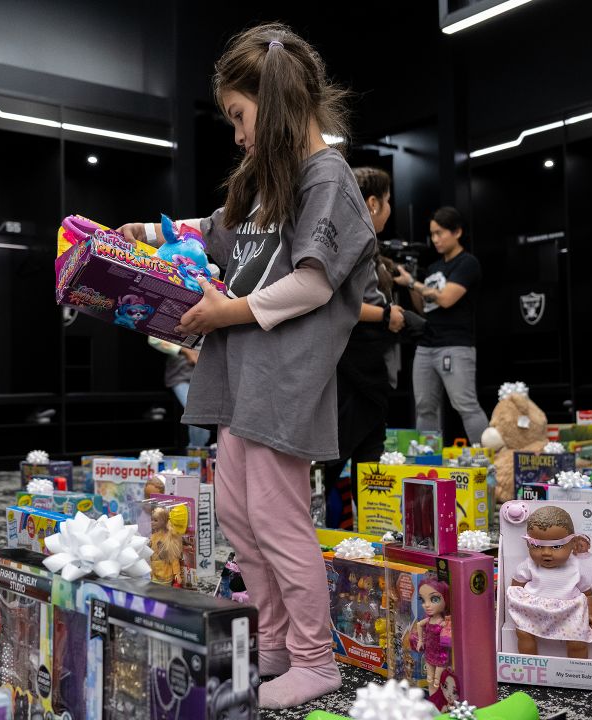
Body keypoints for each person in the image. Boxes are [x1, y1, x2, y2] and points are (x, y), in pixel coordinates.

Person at [115, 23, 374, 708]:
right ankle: (276, 640)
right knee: (237, 514)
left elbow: (313, 283)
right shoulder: (267, 181)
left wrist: (223, 314)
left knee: (277, 518)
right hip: (238, 377)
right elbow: (216, 229)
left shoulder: (328, 178)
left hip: (284, 381)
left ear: (279, 101)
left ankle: (316, 660)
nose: (235, 133)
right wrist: (148, 234)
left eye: (239, 114)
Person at [323, 166, 405, 528]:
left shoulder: (363, 244)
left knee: (369, 458)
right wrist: (388, 314)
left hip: (368, 370)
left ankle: (371, 537)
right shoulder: (349, 242)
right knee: (332, 460)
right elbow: (341, 304)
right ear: (372, 203)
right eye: (388, 202)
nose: (389, 209)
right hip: (350, 367)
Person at [392, 207, 487, 442]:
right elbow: (423, 308)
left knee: (465, 405)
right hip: (426, 345)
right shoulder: (434, 268)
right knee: (424, 408)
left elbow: (445, 299)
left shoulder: (467, 263)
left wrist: (413, 282)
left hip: (456, 345)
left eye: (440, 233)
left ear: (457, 232)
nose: (435, 239)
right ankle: (428, 459)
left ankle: (490, 462)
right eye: (432, 234)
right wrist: (411, 283)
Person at [506, 505, 592, 659]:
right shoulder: (529, 565)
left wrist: (591, 614)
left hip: (569, 613)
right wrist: (518, 607)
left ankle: (578, 672)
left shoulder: (576, 567)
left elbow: (587, 593)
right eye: (537, 546)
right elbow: (516, 587)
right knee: (523, 633)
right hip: (535, 610)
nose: (546, 553)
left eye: (556, 546)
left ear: (572, 544)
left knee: (577, 642)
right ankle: (530, 665)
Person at [149, 335, 211, 448]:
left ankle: (200, 455)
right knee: (197, 413)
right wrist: (183, 350)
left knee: (208, 418)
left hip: (210, 376)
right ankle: (196, 456)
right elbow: (154, 338)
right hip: (182, 376)